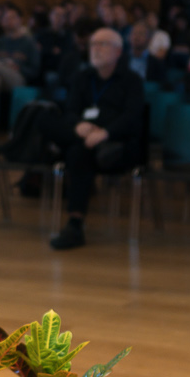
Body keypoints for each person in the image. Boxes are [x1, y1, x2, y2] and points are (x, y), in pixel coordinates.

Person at [38, 30, 147, 252]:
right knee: (44, 118)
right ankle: (74, 225)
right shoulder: (82, 77)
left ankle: (75, 225)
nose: (95, 49)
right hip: (85, 140)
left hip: (116, 145)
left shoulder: (131, 80)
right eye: (93, 44)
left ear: (118, 51)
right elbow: (71, 111)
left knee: (76, 152)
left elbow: (133, 117)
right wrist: (79, 125)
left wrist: (105, 133)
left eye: (103, 44)